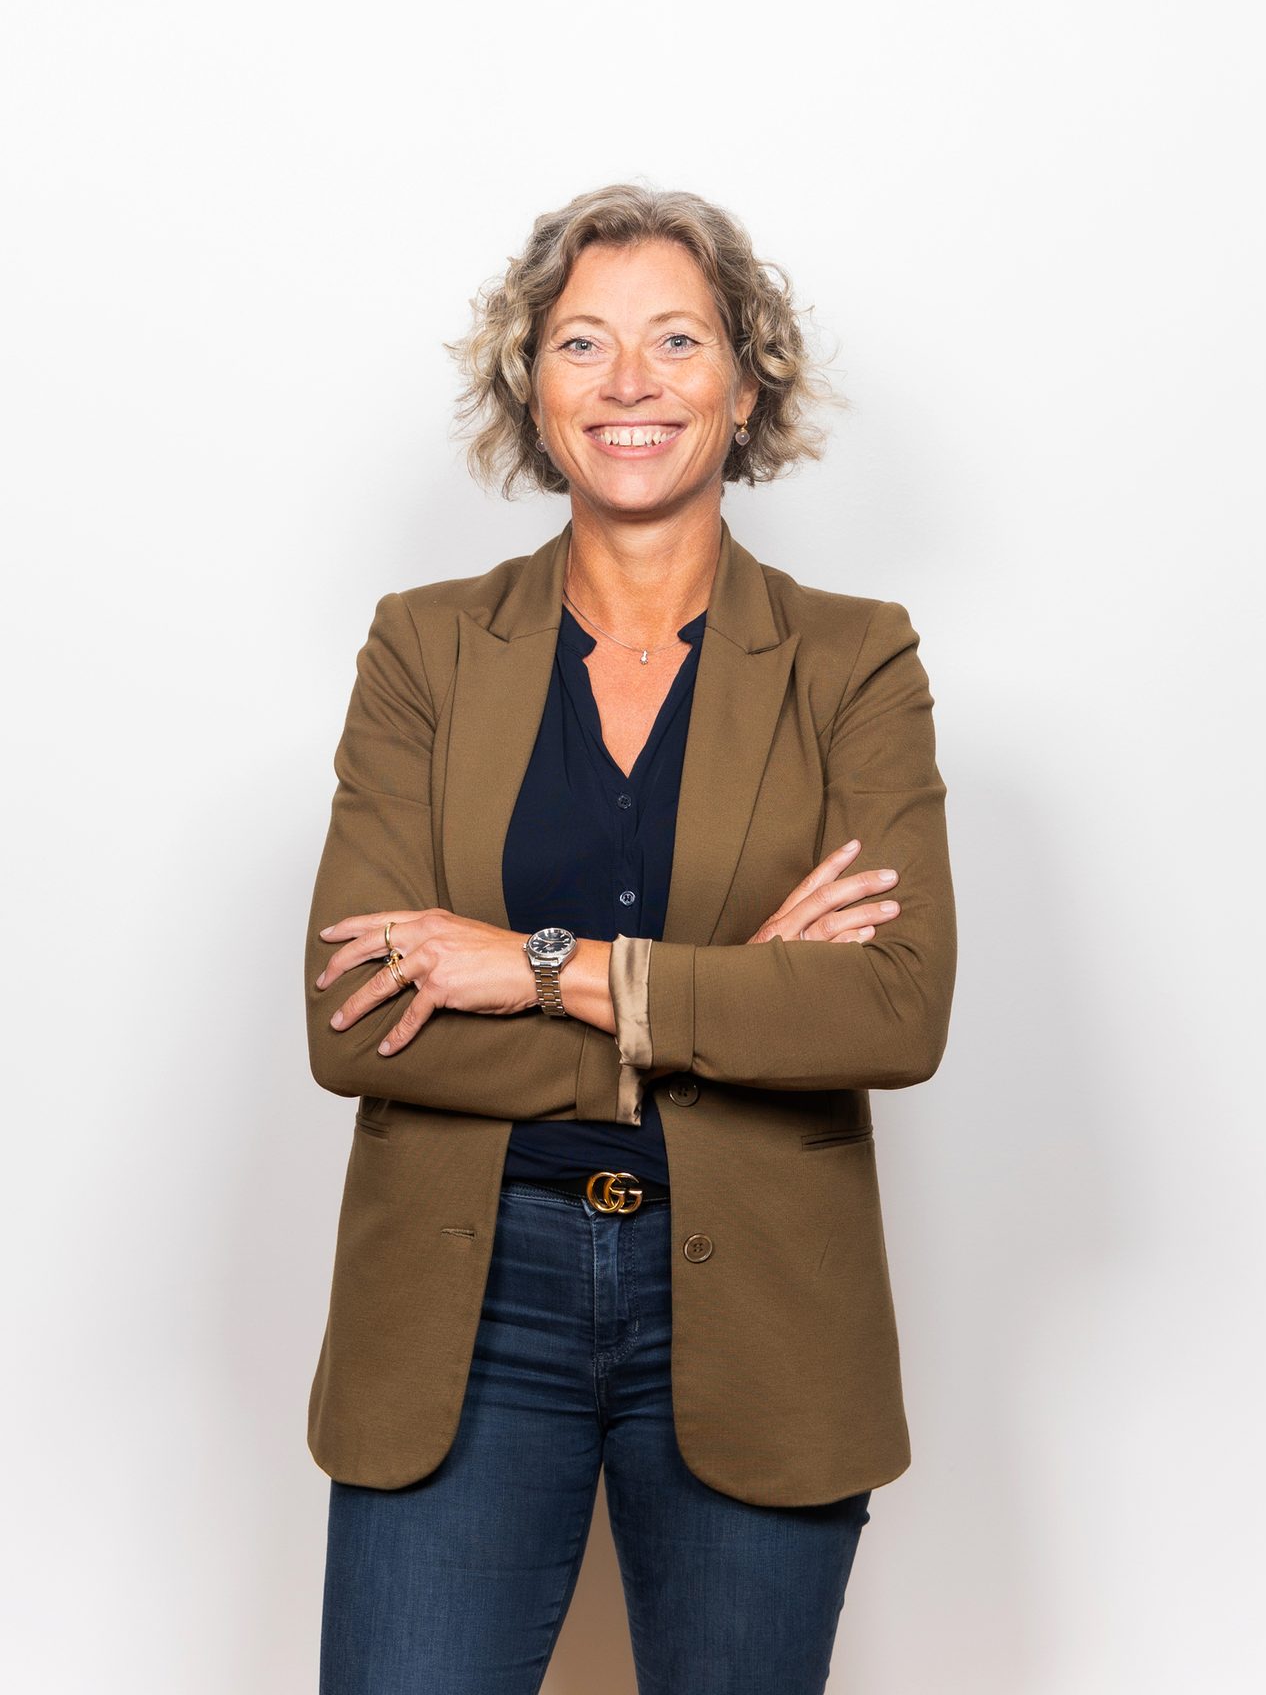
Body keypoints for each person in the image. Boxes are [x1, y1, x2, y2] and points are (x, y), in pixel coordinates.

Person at [305, 182, 959, 1694]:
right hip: (470, 1307)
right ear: (530, 391)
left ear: (745, 386)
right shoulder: (423, 646)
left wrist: (533, 965)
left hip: (756, 1305)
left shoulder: (854, 660)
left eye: (677, 339)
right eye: (581, 344)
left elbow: (892, 1011)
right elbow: (349, 1022)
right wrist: (730, 1000)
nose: (630, 382)